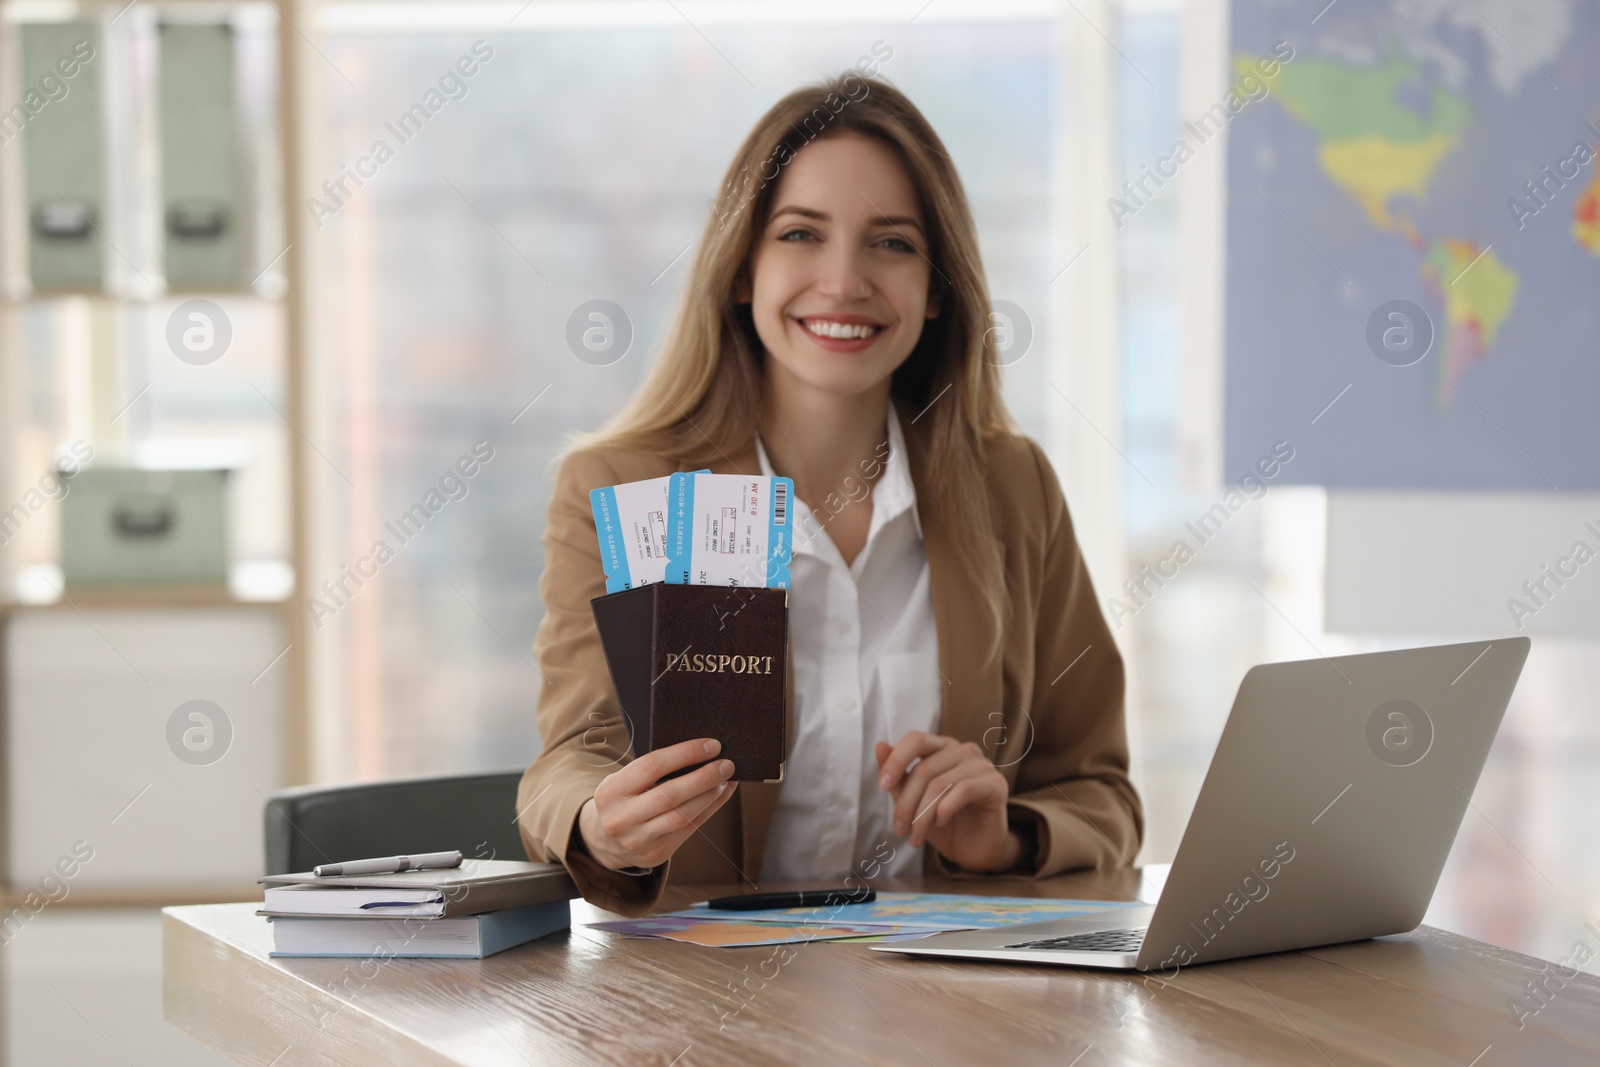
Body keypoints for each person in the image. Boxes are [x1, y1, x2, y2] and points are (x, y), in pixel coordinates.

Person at [517, 72, 1141, 916]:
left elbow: (1098, 787)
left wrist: (1009, 836)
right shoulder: (623, 487)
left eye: (892, 243)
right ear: (743, 268)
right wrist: (602, 824)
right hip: (706, 1013)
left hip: (949, 1011)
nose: (844, 281)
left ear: (936, 290)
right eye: (802, 233)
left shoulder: (1013, 488)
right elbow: (571, 759)